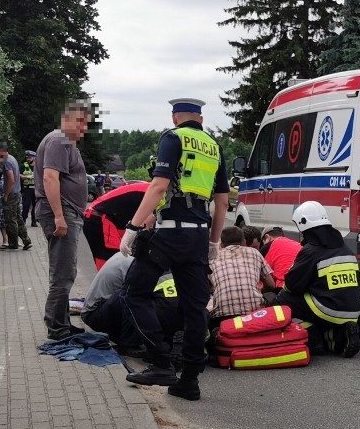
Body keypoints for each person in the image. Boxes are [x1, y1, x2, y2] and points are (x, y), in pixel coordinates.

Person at [121, 97, 229, 401]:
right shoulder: (214, 146)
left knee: (134, 293)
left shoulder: (173, 138)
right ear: (201, 119)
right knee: (195, 308)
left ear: (175, 117)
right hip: (197, 237)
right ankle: (189, 380)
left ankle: (160, 361)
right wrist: (214, 242)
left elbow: (157, 187)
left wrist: (132, 227)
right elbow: (221, 201)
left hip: (169, 236)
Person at [35, 100, 91, 340]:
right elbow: (50, 178)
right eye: (79, 121)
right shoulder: (59, 140)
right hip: (61, 212)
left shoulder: (66, 143)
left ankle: (62, 322)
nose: (83, 128)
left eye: (86, 124)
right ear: (65, 119)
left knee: (65, 271)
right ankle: (57, 328)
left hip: (68, 211)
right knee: (63, 273)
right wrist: (59, 216)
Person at [276, 201, 360, 358]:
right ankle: (338, 337)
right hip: (353, 311)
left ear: (303, 225)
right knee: (317, 301)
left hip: (328, 310)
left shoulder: (311, 250)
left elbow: (291, 285)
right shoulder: (345, 248)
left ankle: (313, 337)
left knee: (283, 298)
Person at [81, 251, 180, 356]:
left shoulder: (137, 256)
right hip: (94, 315)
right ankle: (128, 345)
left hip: (106, 308)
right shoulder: (134, 262)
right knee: (133, 297)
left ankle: (131, 337)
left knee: (138, 298)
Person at [208, 225, 275, 328]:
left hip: (222, 316)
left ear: (221, 245)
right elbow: (272, 284)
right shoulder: (255, 253)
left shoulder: (213, 257)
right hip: (254, 313)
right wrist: (256, 290)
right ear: (244, 242)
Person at [0, 143, 32, 251]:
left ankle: (13, 243)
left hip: (11, 194)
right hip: (17, 192)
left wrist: (6, 194)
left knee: (10, 220)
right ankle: (26, 240)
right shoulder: (13, 158)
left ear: (2, 150)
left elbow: (11, 179)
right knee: (18, 218)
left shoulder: (7, 161)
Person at [20, 150, 37, 226]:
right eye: (27, 157)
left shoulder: (39, 166)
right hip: (27, 189)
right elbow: (19, 175)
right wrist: (28, 177)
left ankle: (34, 221)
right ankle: (23, 220)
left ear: (34, 158)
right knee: (25, 205)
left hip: (36, 189)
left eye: (30, 157)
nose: (28, 159)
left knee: (36, 206)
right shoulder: (23, 165)